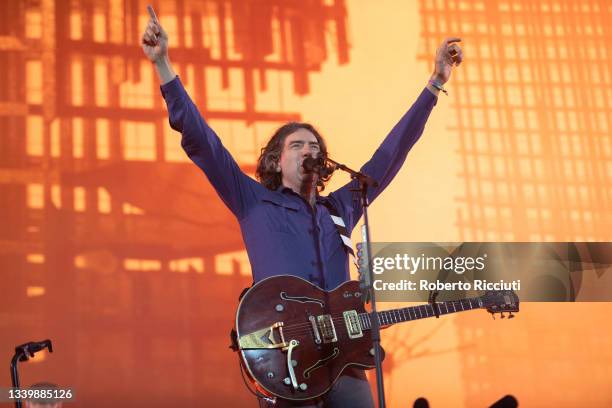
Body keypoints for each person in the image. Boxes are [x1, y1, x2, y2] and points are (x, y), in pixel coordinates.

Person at [141, 5, 462, 408]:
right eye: (298, 145)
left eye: (315, 147)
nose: (309, 151)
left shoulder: (341, 207)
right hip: (286, 358)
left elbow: (390, 155)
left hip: (344, 361)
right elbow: (202, 140)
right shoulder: (253, 200)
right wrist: (164, 66)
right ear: (276, 160)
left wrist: (434, 85)